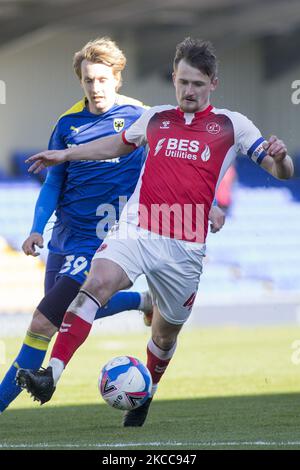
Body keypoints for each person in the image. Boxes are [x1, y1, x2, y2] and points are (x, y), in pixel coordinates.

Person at [17, 37, 272, 428]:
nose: (189, 90)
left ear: (213, 84)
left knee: (165, 335)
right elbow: (114, 147)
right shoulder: (154, 117)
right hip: (137, 229)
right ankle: (50, 374)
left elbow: (277, 169)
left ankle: (145, 392)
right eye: (183, 81)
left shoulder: (231, 124)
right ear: (174, 78)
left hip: (185, 245)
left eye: (198, 84)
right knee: (95, 284)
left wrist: (282, 160)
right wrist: (65, 154)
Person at [0, 37, 154, 414]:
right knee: (66, 315)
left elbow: (177, 161)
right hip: (64, 239)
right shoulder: (68, 123)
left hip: (104, 243)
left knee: (42, 320)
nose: (95, 88)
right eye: (88, 80)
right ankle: (142, 301)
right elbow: (54, 181)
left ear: (117, 79)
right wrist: (38, 228)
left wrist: (210, 203)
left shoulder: (142, 118)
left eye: (102, 79)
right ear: (80, 81)